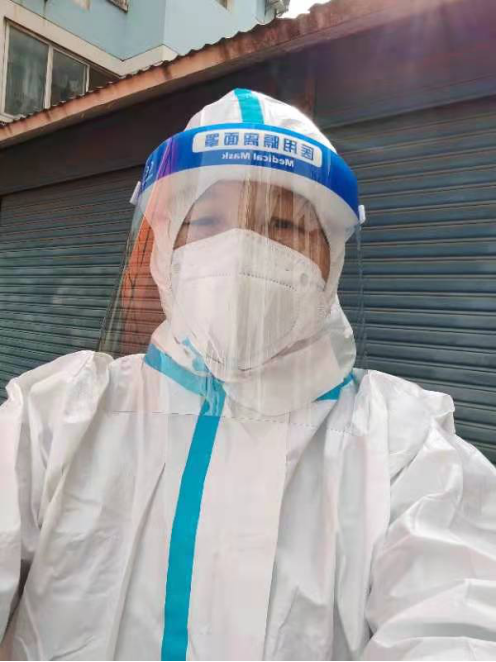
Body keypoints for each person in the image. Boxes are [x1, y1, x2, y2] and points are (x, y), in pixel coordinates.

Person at [1, 89, 496, 662]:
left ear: (330, 261)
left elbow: (459, 617)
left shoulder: (402, 444)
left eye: (283, 224)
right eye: (206, 221)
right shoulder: (60, 414)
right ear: (164, 250)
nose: (240, 251)